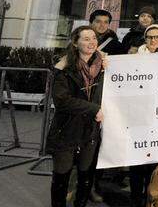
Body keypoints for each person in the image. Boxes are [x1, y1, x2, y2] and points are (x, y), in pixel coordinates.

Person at [47, 26, 106, 207]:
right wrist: (93, 109)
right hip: (66, 130)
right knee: (61, 178)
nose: (91, 42)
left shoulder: (103, 67)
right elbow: (62, 101)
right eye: (86, 39)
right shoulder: (64, 68)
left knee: (86, 177)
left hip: (90, 132)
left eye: (94, 38)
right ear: (75, 43)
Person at [128, 24, 158, 206]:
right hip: (139, 115)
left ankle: (152, 200)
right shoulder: (133, 56)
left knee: (155, 162)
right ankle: (135, 198)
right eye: (149, 37)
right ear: (145, 39)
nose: (153, 40)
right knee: (137, 161)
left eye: (157, 37)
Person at [87, 9, 122, 202]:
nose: (102, 25)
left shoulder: (115, 45)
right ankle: (77, 184)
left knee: (98, 145)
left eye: (106, 22)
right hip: (85, 99)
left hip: (105, 98)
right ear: (91, 22)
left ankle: (94, 186)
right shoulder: (81, 41)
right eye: (98, 21)